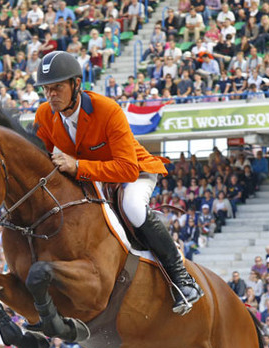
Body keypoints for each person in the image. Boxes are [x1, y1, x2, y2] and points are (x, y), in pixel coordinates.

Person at [33, 51, 203, 314]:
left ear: (76, 85)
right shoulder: (44, 115)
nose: (50, 94)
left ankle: (183, 279)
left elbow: (126, 169)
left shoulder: (107, 110)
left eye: (57, 87)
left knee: (133, 208)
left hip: (133, 172)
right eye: (46, 89)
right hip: (91, 177)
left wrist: (77, 166)